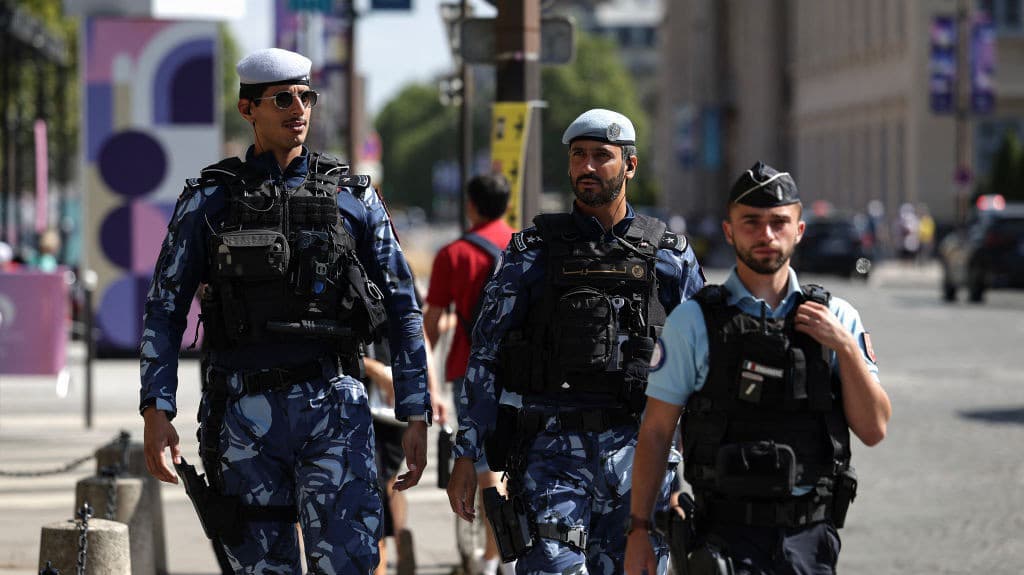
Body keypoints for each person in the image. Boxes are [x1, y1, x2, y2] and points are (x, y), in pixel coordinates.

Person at [138, 47, 431, 574]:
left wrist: (415, 410)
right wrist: (156, 410)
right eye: (282, 99)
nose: (298, 108)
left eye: (306, 96)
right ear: (247, 109)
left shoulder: (353, 196)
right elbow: (164, 308)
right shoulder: (209, 198)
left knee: (349, 565)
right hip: (242, 416)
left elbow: (404, 306)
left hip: (334, 410)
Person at [446, 108, 705, 575]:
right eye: (578, 155)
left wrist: (707, 467)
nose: (586, 166)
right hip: (551, 455)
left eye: (601, 156)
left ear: (630, 164)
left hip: (641, 458)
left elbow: (703, 361)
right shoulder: (531, 251)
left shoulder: (670, 256)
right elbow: (484, 355)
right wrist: (466, 452)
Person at [625, 161, 891, 575]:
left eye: (778, 222)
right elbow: (657, 431)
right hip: (723, 538)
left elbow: (874, 429)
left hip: (810, 539)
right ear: (729, 231)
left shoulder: (838, 316)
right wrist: (639, 529)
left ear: (799, 230)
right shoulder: (694, 323)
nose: (766, 235)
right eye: (751, 222)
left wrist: (844, 347)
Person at [425, 173, 516, 575]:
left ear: (471, 205)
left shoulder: (453, 254)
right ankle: (506, 548)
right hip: (520, 371)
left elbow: (430, 323)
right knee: (515, 455)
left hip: (469, 368)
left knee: (481, 461)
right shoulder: (523, 247)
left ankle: (495, 554)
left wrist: (427, 382)